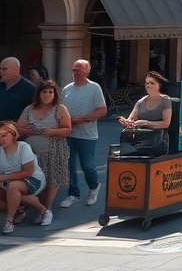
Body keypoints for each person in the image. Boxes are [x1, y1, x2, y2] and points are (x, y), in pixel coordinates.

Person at [15, 80, 71, 224]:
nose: (47, 94)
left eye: (50, 92)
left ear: (55, 94)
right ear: (39, 94)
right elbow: (18, 128)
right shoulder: (29, 109)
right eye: (44, 91)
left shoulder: (60, 109)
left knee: (52, 179)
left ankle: (47, 210)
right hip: (30, 153)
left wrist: (52, 131)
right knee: (30, 180)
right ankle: (24, 209)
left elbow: (67, 129)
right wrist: (27, 130)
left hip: (53, 150)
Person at [59, 59, 106, 209]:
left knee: (87, 165)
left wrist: (83, 120)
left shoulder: (94, 88)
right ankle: (73, 194)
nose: (75, 73)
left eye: (79, 70)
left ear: (87, 71)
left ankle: (93, 187)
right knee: (69, 166)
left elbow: (102, 110)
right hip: (68, 133)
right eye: (74, 70)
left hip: (86, 135)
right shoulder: (66, 89)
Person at [0, 121, 49, 234]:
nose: (1, 139)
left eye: (4, 135)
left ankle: (9, 221)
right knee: (12, 188)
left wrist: (5, 177)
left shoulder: (23, 147)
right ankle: (39, 211)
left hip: (33, 179)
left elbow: (28, 171)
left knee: (13, 187)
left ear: (13, 135)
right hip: (8, 181)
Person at [0, 58, 35, 123]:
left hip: (16, 131)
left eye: (4, 69)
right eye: (0, 69)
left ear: (16, 70)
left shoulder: (30, 89)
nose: (1, 72)